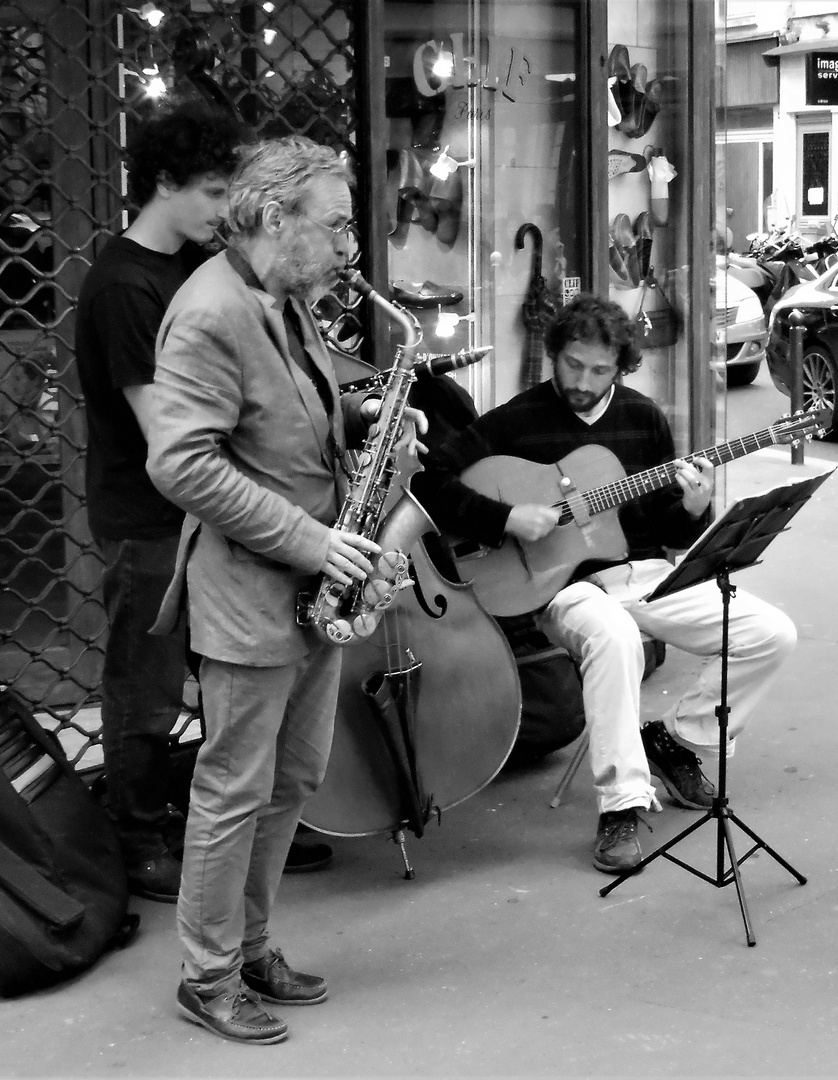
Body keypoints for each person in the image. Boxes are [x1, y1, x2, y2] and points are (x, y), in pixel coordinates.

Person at [145, 135, 423, 1044]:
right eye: (336, 225)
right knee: (233, 785)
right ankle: (207, 972)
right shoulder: (207, 313)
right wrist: (313, 541)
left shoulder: (285, 298)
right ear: (272, 216)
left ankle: (252, 944)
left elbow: (286, 422)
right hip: (252, 588)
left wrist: (362, 415)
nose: (350, 247)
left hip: (312, 583)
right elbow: (182, 463)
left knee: (291, 777)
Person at [411, 294, 797, 873]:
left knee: (771, 632)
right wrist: (506, 518)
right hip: (561, 588)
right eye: (572, 364)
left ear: (621, 367)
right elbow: (431, 477)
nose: (582, 382)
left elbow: (666, 526)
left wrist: (693, 507)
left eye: (598, 370)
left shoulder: (643, 419)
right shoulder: (518, 419)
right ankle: (621, 805)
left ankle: (677, 740)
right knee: (613, 635)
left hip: (644, 575)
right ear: (554, 356)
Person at [75, 100, 246, 903]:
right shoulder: (122, 285)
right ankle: (138, 834)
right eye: (213, 193)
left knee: (224, 679)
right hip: (150, 517)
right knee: (145, 687)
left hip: (202, 508)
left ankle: (217, 827)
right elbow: (163, 427)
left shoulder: (189, 269)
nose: (223, 211)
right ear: (166, 184)